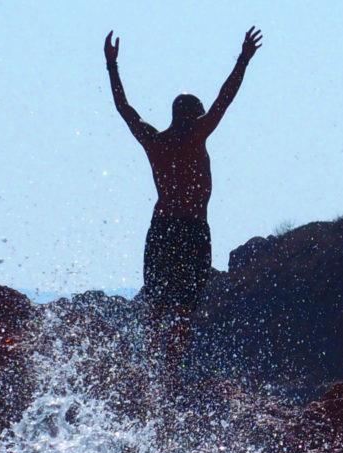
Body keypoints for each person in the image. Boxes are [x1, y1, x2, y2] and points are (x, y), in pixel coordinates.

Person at [104, 27, 262, 381]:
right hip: (190, 230)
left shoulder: (154, 141)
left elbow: (124, 109)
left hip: (162, 228)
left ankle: (157, 370)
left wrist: (111, 67)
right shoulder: (196, 135)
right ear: (190, 113)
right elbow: (226, 97)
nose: (205, 113)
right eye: (200, 110)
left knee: (160, 305)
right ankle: (168, 372)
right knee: (181, 307)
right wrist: (243, 60)